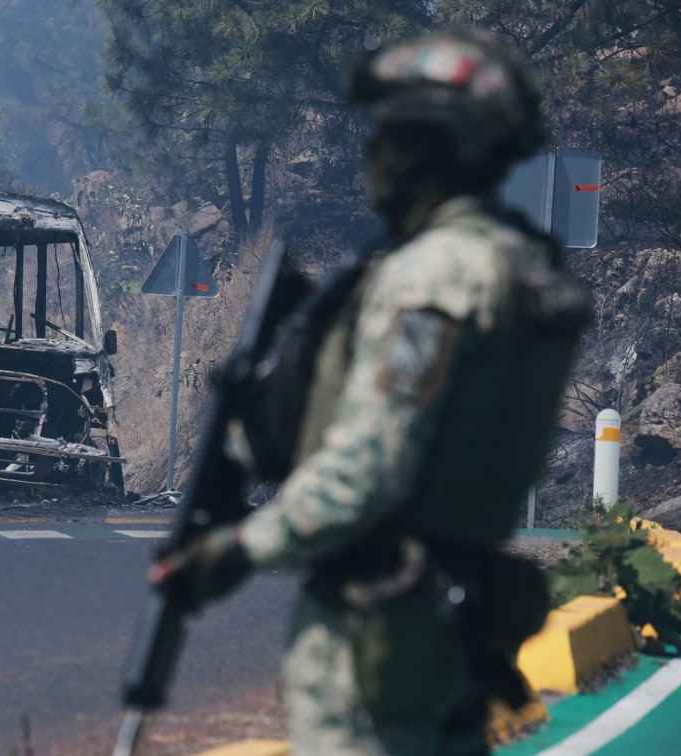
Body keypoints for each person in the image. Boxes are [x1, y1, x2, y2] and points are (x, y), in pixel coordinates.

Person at [153, 27, 590, 755]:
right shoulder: (524, 268)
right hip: (458, 619)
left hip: (379, 629)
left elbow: (371, 466)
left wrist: (236, 548)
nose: (375, 153)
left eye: (390, 132)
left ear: (429, 147)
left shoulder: (434, 280)